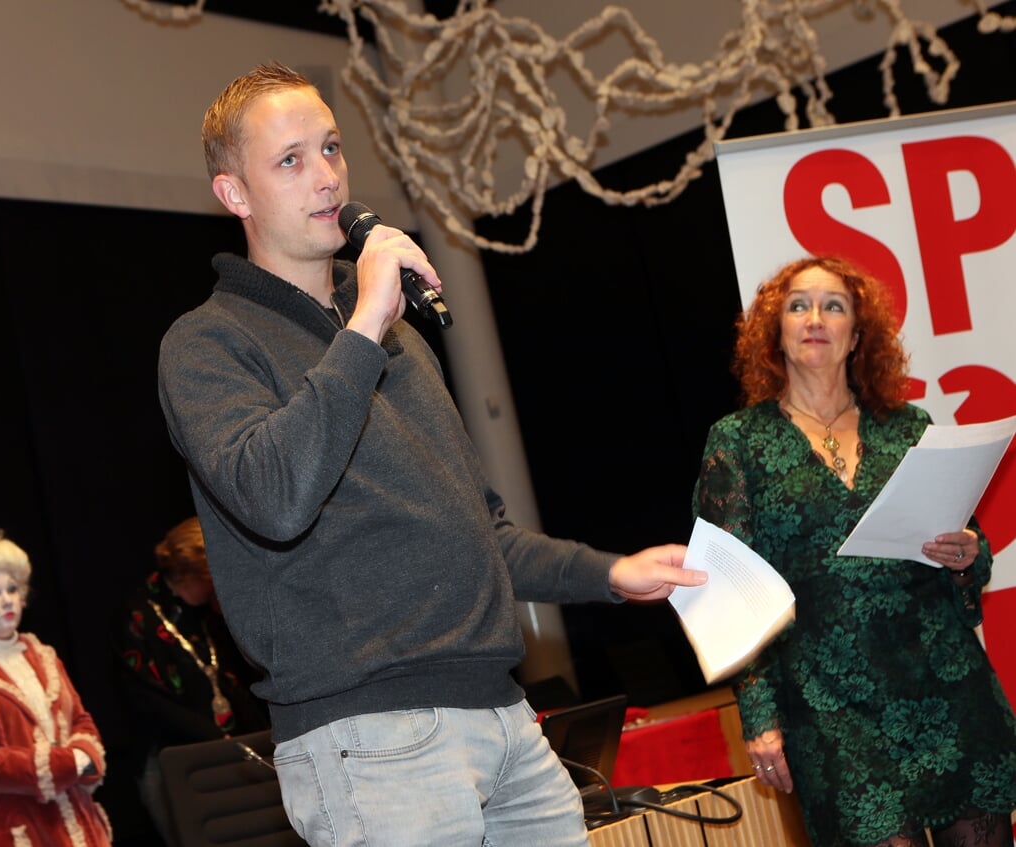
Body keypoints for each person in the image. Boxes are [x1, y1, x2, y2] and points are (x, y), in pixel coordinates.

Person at [155, 61, 706, 847]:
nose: (325, 177)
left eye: (332, 148)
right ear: (234, 194)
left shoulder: (398, 340)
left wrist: (610, 574)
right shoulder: (209, 341)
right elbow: (275, 495)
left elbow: (477, 530)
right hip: (370, 737)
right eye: (290, 160)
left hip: (503, 713)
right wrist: (365, 323)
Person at [692, 255, 1016, 847]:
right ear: (776, 332)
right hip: (828, 703)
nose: (815, 317)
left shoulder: (908, 426)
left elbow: (973, 552)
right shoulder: (737, 442)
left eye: (833, 306)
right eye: (798, 305)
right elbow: (726, 592)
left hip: (944, 681)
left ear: (858, 335)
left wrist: (968, 552)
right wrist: (760, 718)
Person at [0, 532, 114, 847]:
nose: (7, 599)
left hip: (75, 820)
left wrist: (85, 755)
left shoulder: (46, 657)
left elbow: (81, 721)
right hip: (9, 826)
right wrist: (53, 767)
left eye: (12, 589)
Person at [114, 516, 270, 840]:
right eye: (210, 578)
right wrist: (216, 739)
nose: (216, 585)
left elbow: (230, 681)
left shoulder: (205, 615)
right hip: (176, 762)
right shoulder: (137, 617)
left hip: (230, 754)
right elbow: (149, 703)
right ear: (189, 576)